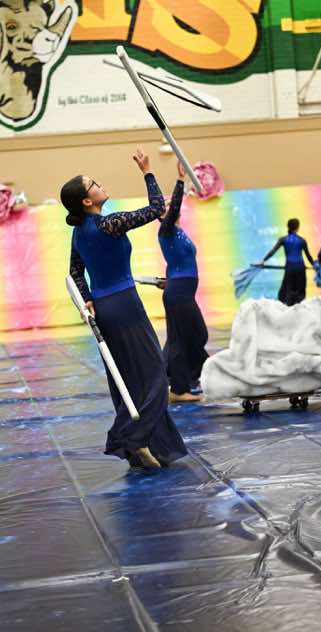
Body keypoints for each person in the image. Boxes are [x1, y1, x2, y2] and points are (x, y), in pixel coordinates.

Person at [61, 148, 187, 469]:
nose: (100, 184)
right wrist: (147, 171)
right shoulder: (110, 224)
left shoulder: (79, 233)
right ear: (86, 201)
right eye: (93, 184)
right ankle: (132, 438)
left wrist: (88, 298)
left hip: (104, 309)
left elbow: (75, 272)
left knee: (129, 379)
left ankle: (144, 450)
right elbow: (157, 209)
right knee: (155, 374)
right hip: (126, 306)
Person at [158, 161, 208, 403]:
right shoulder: (165, 230)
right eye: (167, 207)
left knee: (196, 334)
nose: (171, 208)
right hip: (179, 292)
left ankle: (177, 377)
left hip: (180, 290)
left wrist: (167, 280)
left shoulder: (178, 232)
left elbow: (176, 260)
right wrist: (180, 180)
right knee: (182, 339)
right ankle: (178, 389)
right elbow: (176, 204)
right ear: (162, 216)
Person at [260, 218, 314, 306]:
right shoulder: (302, 240)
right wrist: (316, 265)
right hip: (300, 268)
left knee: (287, 291)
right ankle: (298, 308)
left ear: (288, 227)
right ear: (297, 228)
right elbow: (309, 257)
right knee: (300, 292)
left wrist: (263, 260)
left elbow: (273, 251)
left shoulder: (283, 239)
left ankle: (288, 307)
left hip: (289, 268)